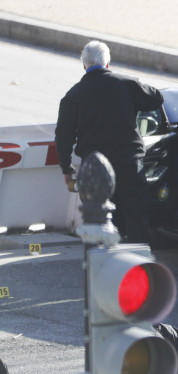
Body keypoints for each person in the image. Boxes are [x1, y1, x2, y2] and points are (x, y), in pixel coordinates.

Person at [55, 40, 164, 243]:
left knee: (100, 222)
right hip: (129, 164)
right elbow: (156, 98)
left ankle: (103, 264)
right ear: (108, 63)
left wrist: (66, 169)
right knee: (136, 218)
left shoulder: (73, 96)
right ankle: (138, 262)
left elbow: (63, 136)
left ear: (84, 65)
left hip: (95, 170)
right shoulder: (127, 84)